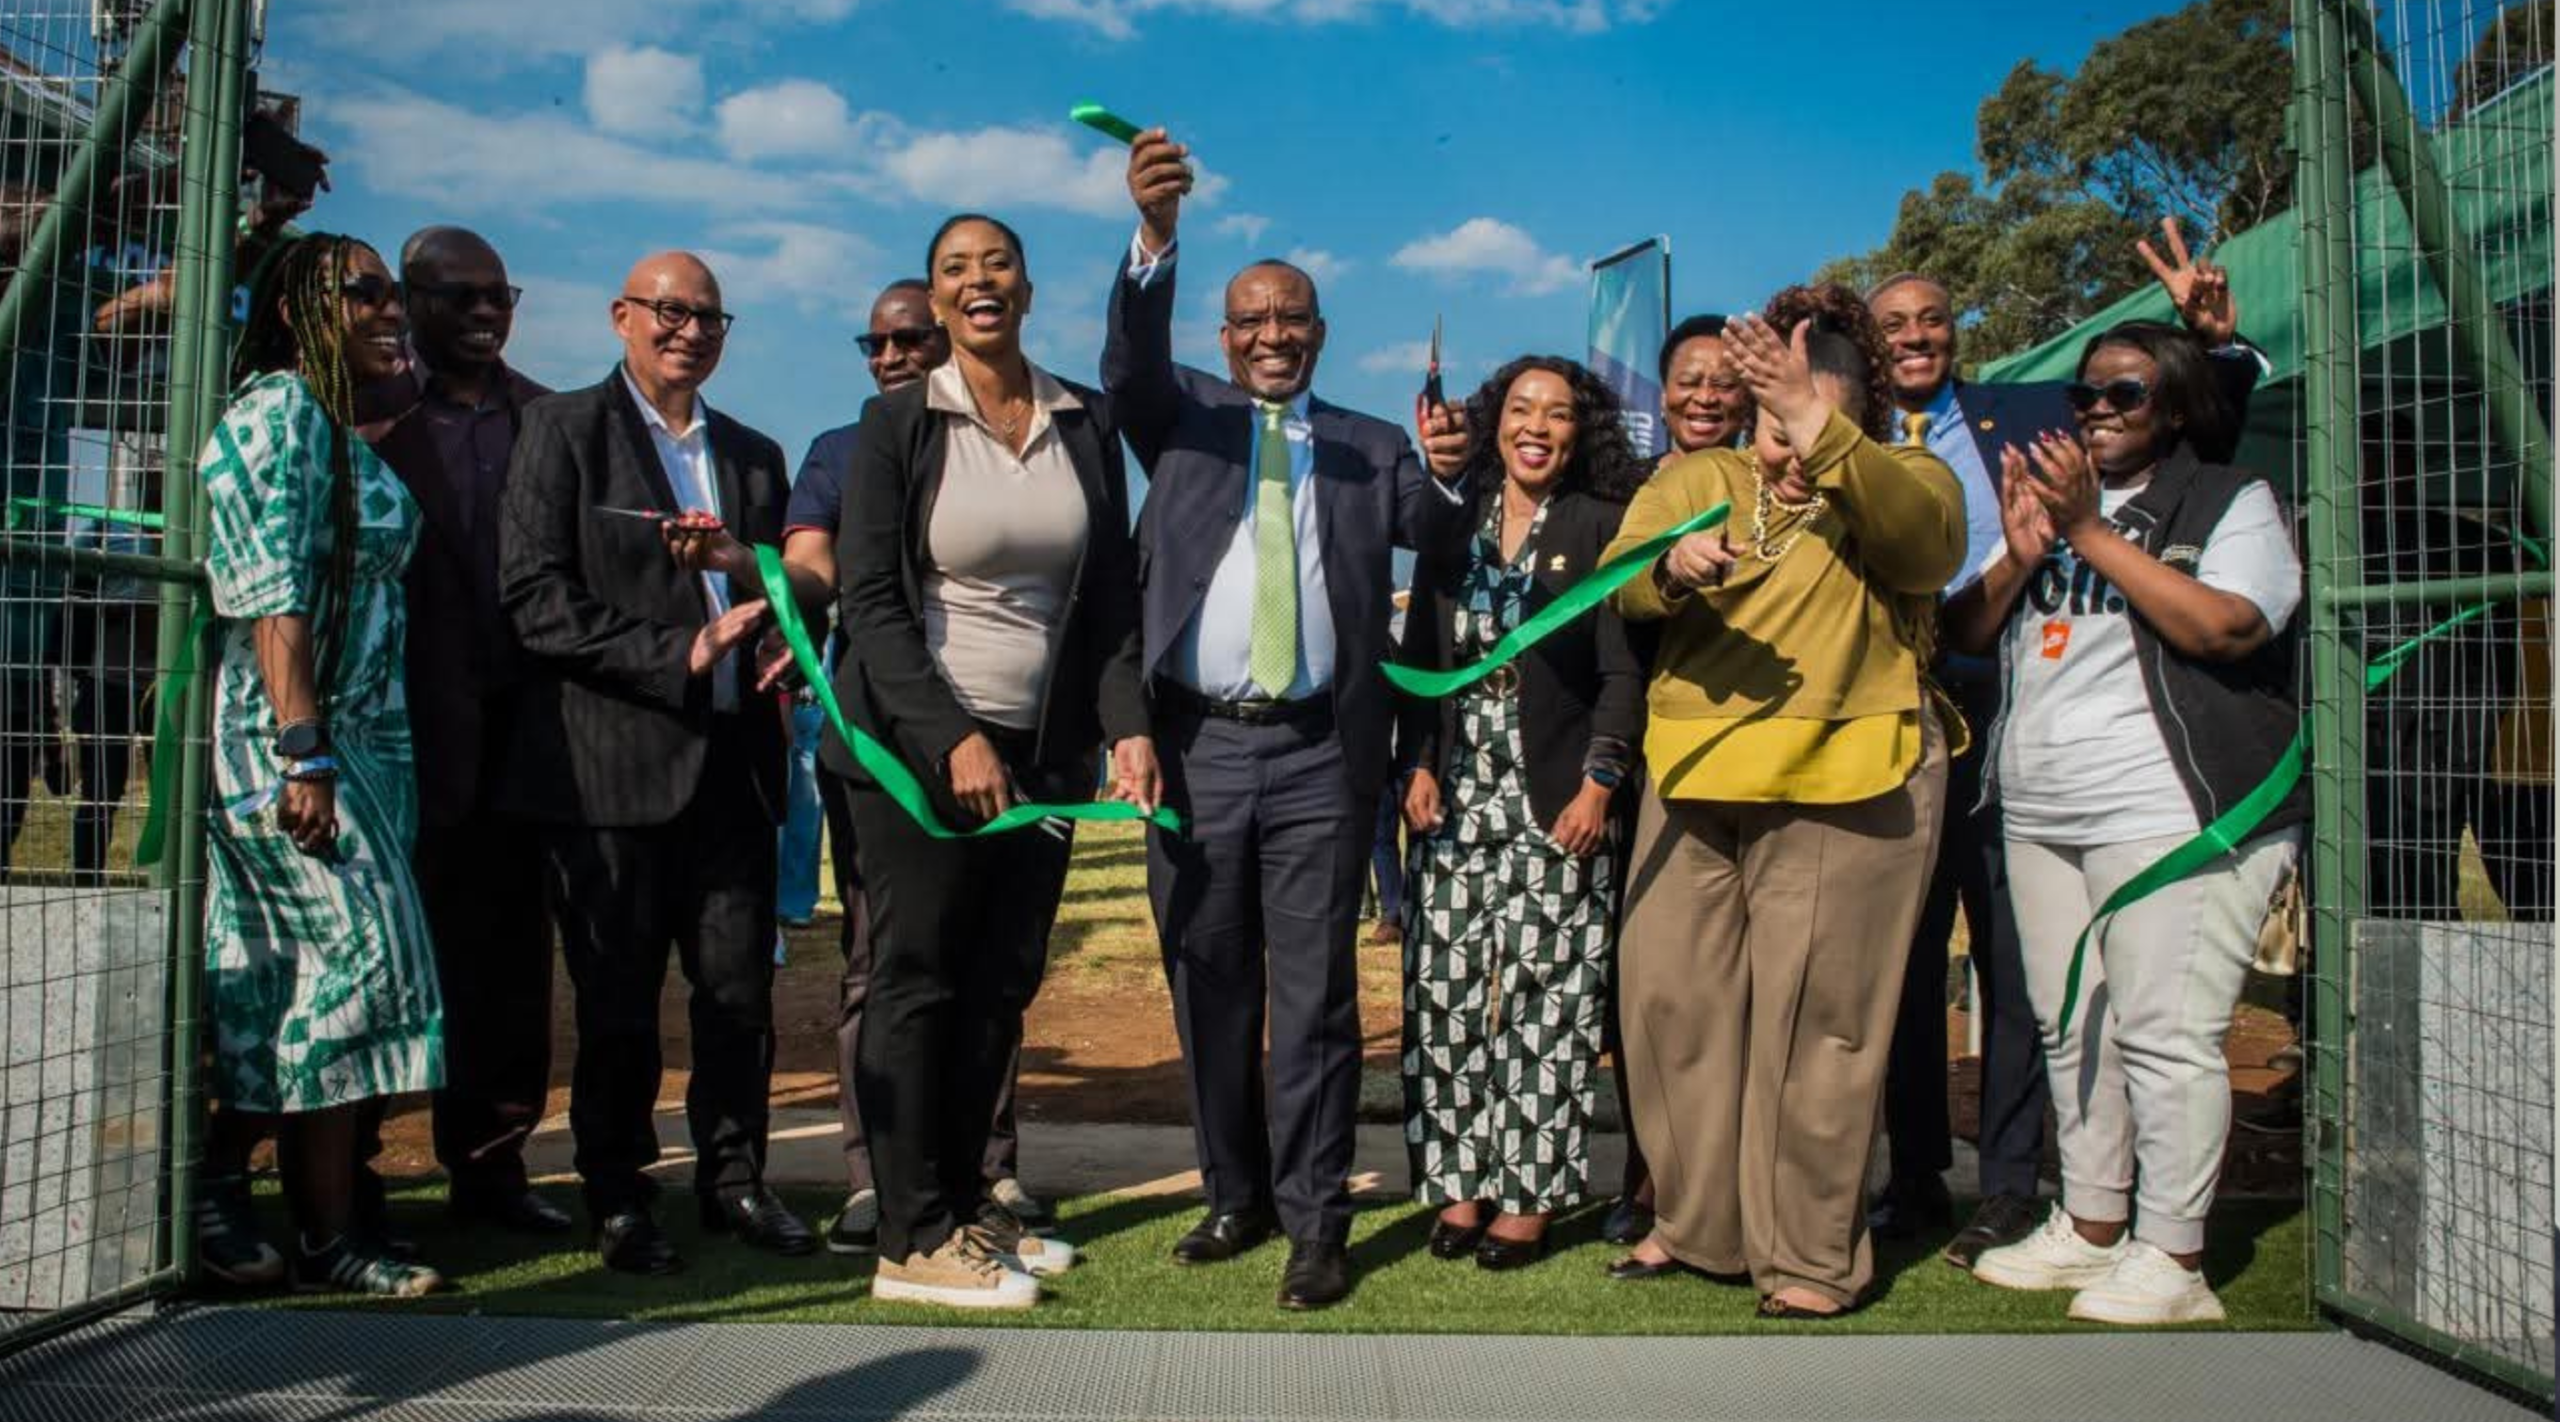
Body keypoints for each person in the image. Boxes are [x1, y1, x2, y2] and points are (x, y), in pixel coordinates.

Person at [1106, 130, 1466, 1311]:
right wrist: (1155, 238)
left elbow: (1440, 534)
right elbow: (1128, 361)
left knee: (1314, 998)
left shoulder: (1371, 445)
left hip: (1322, 753)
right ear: (1224, 339)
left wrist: (1449, 470)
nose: (1272, 335)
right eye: (1251, 321)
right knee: (1209, 980)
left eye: (1292, 319)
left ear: (1319, 332)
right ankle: (1235, 1195)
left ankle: (1316, 1221)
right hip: (1196, 747)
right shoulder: (1181, 416)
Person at [1865, 219, 2267, 1265]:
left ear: (1956, 332)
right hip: (1884, 732)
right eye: (1893, 325)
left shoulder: (2044, 412)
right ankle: (1914, 1177)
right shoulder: (1840, 438)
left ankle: (2010, 1187)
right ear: (1869, 346)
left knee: (2020, 971)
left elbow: (2190, 432)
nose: (1915, 337)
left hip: (2013, 724)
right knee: (1902, 967)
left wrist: (2214, 346)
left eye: (1932, 319)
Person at [1604, 286, 1964, 1318]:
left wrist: (1820, 430)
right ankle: (1701, 1226)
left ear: (1846, 409)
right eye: (1772, 418)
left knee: (1819, 1025)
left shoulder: (1904, 473)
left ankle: (1807, 1258)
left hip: (1850, 776)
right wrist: (1670, 566)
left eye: (1801, 414)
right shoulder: (1700, 478)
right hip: (1693, 775)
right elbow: (1621, 579)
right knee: (1670, 1006)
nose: (1782, 439)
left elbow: (1929, 548)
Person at [1947, 320, 2302, 1325]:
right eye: (2085, 396)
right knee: (2072, 1025)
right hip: (2043, 803)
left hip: (2170, 807)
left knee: (2165, 1033)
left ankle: (2173, 1256)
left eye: (2125, 394)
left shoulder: (2229, 498)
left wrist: (2089, 534)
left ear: (2176, 407)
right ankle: (2091, 1223)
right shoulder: (2054, 501)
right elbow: (1963, 631)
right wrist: (2024, 553)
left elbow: (2228, 626)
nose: (2097, 411)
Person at [830, 213, 1146, 1310]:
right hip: (914, 751)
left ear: (1026, 288)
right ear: (935, 299)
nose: (979, 280)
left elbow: (1109, 596)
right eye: (956, 268)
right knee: (917, 981)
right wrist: (950, 735)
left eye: (997, 263)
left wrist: (1127, 725)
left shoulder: (1083, 420)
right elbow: (871, 601)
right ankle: (910, 1238)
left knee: (999, 985)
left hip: (1043, 757)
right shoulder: (895, 423)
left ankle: (967, 1206)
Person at [497, 251, 811, 1275]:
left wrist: (782, 642)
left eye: (710, 317)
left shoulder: (756, 455)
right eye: (671, 312)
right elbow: (534, 598)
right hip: (612, 773)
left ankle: (736, 1182)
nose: (690, 331)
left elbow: (779, 588)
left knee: (738, 1000)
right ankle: (620, 1194)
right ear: (621, 317)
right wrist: (680, 652)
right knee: (618, 1005)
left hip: (736, 772)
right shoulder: (561, 431)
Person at [778, 278, 1055, 1256]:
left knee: (992, 965)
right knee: (890, 965)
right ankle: (880, 1183)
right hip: (888, 752)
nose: (893, 356)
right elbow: (819, 566)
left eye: (909, 340)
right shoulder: (844, 448)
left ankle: (982, 1172)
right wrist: (754, 575)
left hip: (1014, 739)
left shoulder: (1011, 438)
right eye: (877, 344)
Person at [197, 232, 444, 1296]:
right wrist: (304, 752)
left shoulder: (326, 422)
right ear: (301, 307)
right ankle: (257, 1203)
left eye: (395, 293)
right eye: (364, 292)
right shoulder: (276, 415)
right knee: (354, 978)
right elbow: (270, 595)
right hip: (291, 756)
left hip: (362, 752)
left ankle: (302, 1220)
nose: (392, 309)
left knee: (323, 990)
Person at [1395, 355, 1646, 1271]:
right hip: (1454, 798)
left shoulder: (1603, 525)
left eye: (1559, 413)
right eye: (1521, 409)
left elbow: (1624, 672)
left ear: (1582, 432)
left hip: (1557, 798)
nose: (1537, 426)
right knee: (1445, 997)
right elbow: (1421, 652)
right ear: (1495, 420)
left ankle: (1529, 1196)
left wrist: (1600, 783)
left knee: (1550, 1002)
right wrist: (1416, 764)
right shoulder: (1452, 523)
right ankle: (1459, 1184)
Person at [364, 226, 568, 1236]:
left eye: (502, 295)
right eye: (462, 297)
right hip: (392, 742)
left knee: (507, 968)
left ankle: (492, 1170)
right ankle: (349, 1176)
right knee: (378, 961)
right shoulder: (364, 421)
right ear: (412, 302)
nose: (488, 313)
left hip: (523, 746)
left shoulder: (548, 419)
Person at [1601, 309, 1753, 1251]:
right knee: (1650, 982)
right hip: (1632, 757)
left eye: (1723, 381)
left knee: (1741, 988)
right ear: (1661, 395)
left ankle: (1735, 1181)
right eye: (1689, 381)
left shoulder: (1776, 482)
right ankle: (1649, 1171)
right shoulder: (1626, 489)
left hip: (1741, 757)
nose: (1705, 396)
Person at [1658, 314, 1751, 461]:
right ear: (1663, 398)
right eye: (1688, 382)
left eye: (1723, 384)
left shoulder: (1769, 475)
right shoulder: (1625, 475)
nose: (1705, 398)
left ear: (1749, 401)